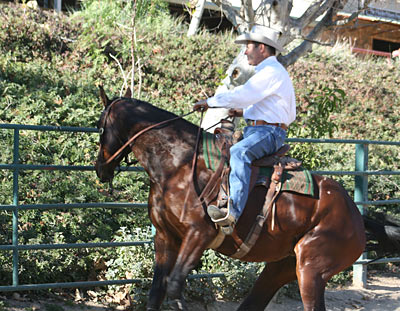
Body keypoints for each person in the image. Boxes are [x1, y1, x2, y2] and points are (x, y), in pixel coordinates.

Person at [193, 25, 296, 234]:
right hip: (262, 130)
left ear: (262, 48)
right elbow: (264, 104)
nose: (245, 51)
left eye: (248, 47)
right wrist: (245, 112)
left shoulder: (271, 72)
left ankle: (233, 212)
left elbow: (244, 94)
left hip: (269, 133)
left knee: (239, 152)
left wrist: (211, 102)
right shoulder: (271, 73)